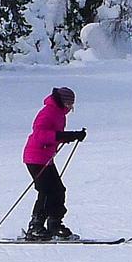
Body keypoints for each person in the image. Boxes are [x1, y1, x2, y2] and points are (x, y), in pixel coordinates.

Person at [22, 87, 87, 240]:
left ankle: (54, 224)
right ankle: (36, 227)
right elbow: (40, 135)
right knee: (46, 191)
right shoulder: (48, 112)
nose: (71, 108)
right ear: (62, 101)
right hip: (35, 157)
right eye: (69, 104)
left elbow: (54, 136)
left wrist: (73, 136)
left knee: (58, 190)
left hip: (45, 158)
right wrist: (65, 135)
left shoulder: (59, 114)